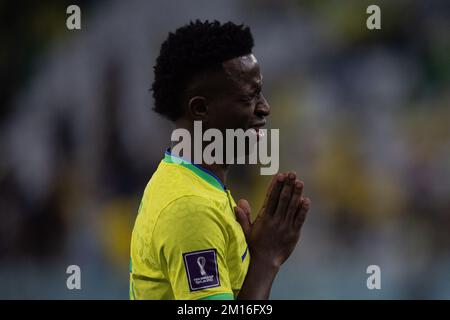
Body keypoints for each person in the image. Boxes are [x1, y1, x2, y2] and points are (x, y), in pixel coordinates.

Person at [129, 20, 311, 300]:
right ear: (201, 108)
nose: (265, 107)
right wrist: (265, 260)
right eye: (249, 96)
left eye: (260, 92)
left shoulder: (195, 186)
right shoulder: (190, 208)